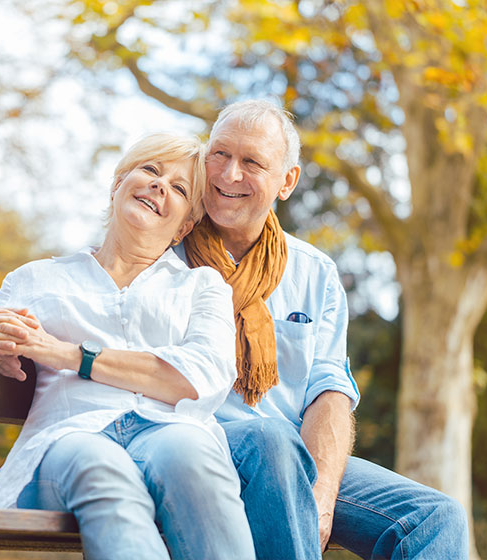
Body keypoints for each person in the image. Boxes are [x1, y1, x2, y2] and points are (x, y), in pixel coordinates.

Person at [0, 133, 255, 560]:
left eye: (179, 188)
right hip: (67, 440)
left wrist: (67, 354)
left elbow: (202, 377)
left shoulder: (202, 286)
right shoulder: (36, 280)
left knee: (191, 455)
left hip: (168, 431)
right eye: (151, 171)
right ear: (118, 183)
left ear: (185, 226)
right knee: (103, 469)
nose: (160, 186)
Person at [176, 99, 469, 559]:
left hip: (294, 455)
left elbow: (328, 391)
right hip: (197, 444)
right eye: (219, 153)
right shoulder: (164, 250)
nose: (229, 174)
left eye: (251, 161)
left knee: (435, 517)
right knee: (270, 442)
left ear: (287, 182)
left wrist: (323, 492)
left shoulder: (315, 273)